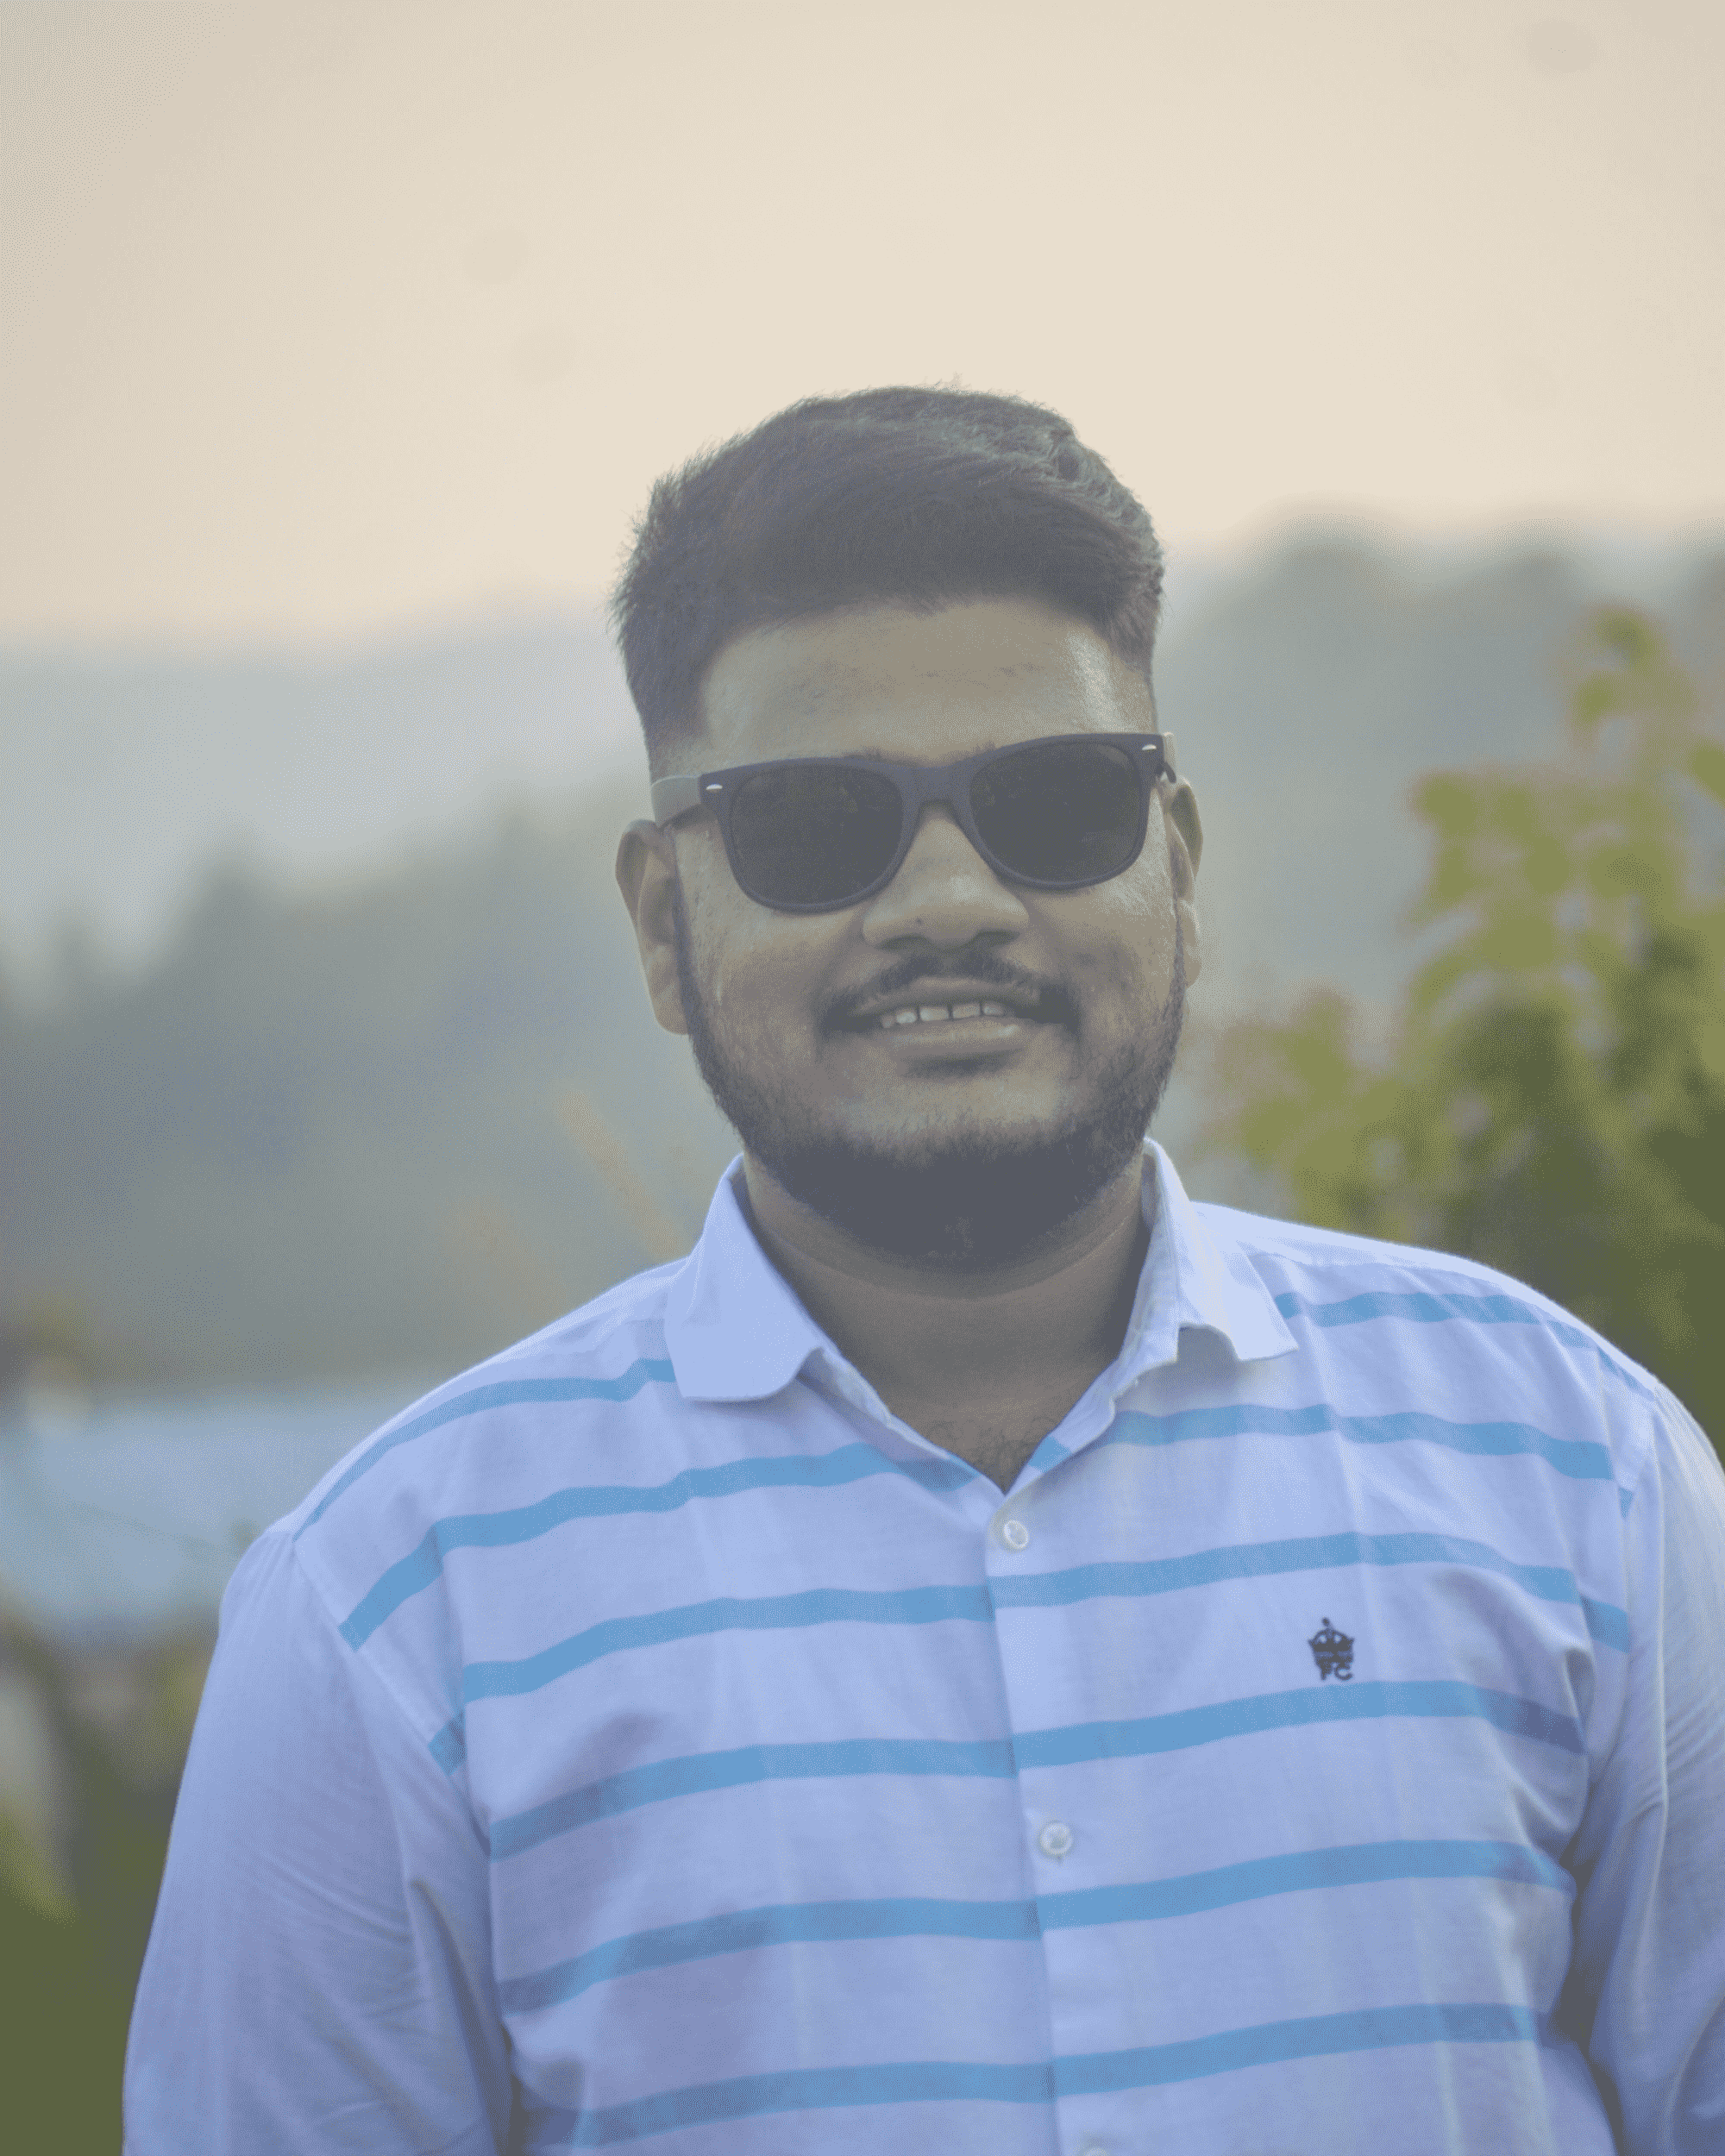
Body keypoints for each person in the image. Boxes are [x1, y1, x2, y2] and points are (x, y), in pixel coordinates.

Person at [125, 387, 1725, 2154]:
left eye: (1058, 801)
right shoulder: (393, 1610)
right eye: (819, 825)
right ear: (661, 922)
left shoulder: (1575, 1469)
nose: (949, 898)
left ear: (1180, 870)